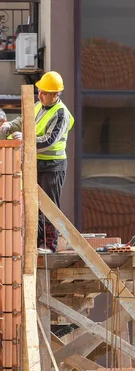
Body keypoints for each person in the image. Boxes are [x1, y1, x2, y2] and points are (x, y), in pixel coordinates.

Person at [0, 71, 74, 253]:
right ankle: (36, 243)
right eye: (39, 91)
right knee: (33, 205)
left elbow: (49, 140)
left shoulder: (61, 113)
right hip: (36, 163)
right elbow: (23, 121)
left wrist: (25, 140)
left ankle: (49, 245)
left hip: (53, 165)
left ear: (55, 94)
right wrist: (9, 126)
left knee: (49, 206)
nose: (39, 95)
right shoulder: (38, 106)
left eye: (44, 92)